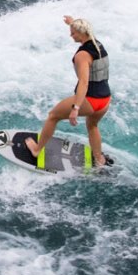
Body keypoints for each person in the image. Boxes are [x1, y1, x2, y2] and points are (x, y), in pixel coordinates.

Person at [26, 15, 112, 168]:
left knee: (53, 116)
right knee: (92, 125)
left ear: (82, 33)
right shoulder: (97, 44)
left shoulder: (82, 55)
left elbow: (84, 83)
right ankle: (99, 159)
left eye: (73, 33)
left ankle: (37, 150)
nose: (71, 35)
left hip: (90, 100)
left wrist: (76, 108)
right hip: (105, 99)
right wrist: (72, 23)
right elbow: (84, 30)